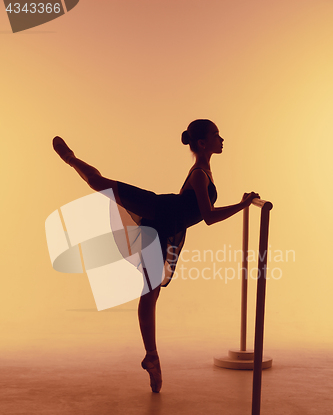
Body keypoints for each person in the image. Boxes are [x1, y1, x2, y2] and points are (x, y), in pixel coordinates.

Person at [53, 119, 259, 394]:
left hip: (165, 228)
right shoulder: (199, 174)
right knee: (101, 184)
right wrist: (243, 204)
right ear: (202, 143)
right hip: (157, 210)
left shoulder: (204, 170)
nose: (222, 139)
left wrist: (241, 203)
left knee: (149, 295)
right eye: (216, 135)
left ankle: (152, 357)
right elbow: (209, 217)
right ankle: (71, 158)